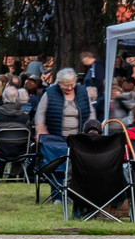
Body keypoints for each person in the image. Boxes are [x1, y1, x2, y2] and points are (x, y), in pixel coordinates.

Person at [34, 68, 93, 201]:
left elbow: (91, 112)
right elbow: (40, 113)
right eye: (66, 85)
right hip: (56, 138)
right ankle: (57, 195)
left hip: (78, 137)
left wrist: (92, 129)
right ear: (59, 83)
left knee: (78, 166)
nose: (70, 87)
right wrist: (40, 130)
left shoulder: (82, 92)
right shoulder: (49, 93)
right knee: (57, 166)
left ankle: (75, 195)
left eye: (72, 84)